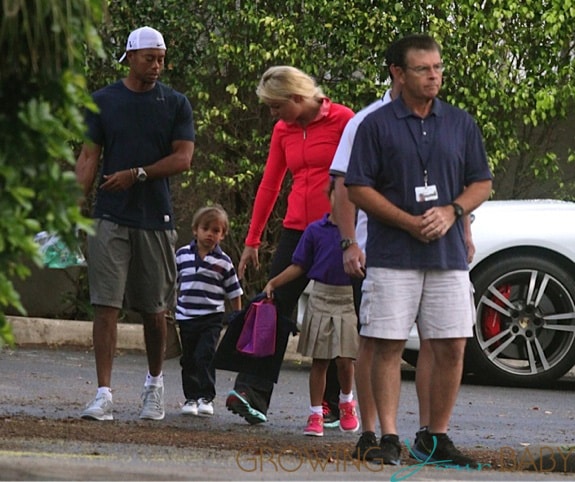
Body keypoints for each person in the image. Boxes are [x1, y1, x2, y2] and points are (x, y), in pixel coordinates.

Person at [345, 34, 492, 466]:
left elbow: (481, 182)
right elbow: (356, 188)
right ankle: (387, 436)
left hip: (446, 258)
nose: (434, 76)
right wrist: (408, 222)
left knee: (450, 346)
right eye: (424, 69)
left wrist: (453, 211)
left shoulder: (461, 123)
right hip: (393, 255)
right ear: (398, 73)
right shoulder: (375, 124)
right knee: (387, 344)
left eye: (438, 68)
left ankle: (435, 436)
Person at [75, 26, 195, 421]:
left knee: (154, 309)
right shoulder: (103, 101)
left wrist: (137, 173)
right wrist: (76, 208)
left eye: (161, 58)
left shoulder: (175, 103)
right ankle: (104, 394)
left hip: (155, 218)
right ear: (129, 57)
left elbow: (183, 158)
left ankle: (154, 386)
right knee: (105, 305)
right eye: (150, 58)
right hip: (110, 216)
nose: (157, 65)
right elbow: (89, 158)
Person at [225, 65, 354, 425]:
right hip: (298, 230)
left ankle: (332, 401)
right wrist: (252, 239)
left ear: (297, 98)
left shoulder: (345, 121)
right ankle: (252, 391)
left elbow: (363, 176)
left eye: (276, 106)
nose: (273, 114)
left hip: (338, 229)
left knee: (339, 311)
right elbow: (270, 184)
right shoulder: (283, 129)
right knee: (271, 304)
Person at [263, 179, 359, 437]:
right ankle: (316, 413)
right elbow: (299, 266)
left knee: (345, 359)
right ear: (329, 197)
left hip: (346, 299)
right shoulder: (315, 230)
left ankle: (347, 402)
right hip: (320, 297)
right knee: (320, 360)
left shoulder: (359, 233)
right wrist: (274, 281)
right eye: (338, 195)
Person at [175, 205, 243, 417]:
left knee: (205, 355)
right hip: (186, 317)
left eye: (216, 230)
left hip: (211, 318)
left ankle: (206, 396)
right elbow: (172, 284)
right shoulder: (182, 255)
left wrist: (236, 316)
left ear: (222, 235)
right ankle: (191, 398)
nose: (210, 234)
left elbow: (234, 291)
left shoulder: (223, 262)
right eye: (206, 228)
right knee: (188, 359)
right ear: (195, 230)